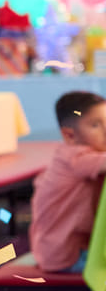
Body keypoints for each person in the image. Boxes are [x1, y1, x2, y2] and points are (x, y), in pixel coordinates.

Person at [28, 91, 106, 272]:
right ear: (70, 135)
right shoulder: (75, 157)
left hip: (71, 248)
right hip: (67, 255)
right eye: (96, 125)